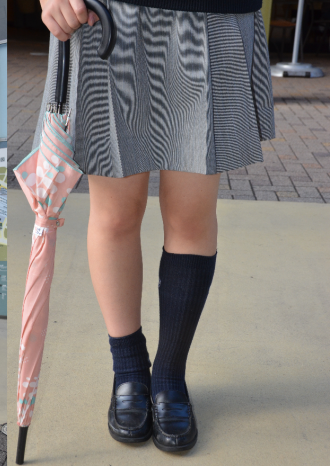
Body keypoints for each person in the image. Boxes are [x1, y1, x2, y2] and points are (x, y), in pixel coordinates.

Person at [39, 0, 273, 452]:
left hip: (213, 13)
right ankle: (128, 367)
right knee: (116, 213)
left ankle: (169, 374)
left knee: (191, 214)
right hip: (108, 14)